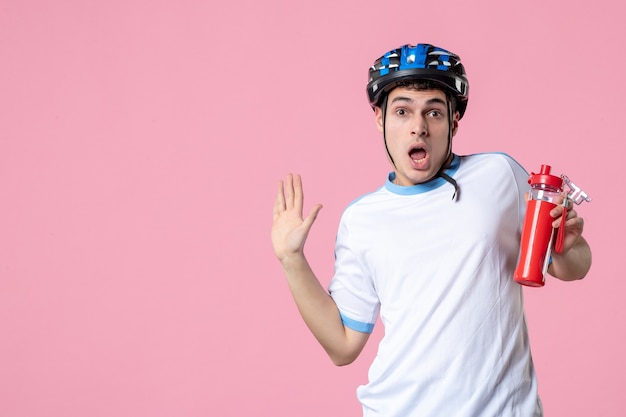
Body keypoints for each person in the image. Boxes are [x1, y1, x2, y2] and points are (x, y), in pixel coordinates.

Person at [271, 43, 591, 417]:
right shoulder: (361, 220)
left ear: (454, 120)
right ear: (380, 119)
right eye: (403, 111)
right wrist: (292, 259)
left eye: (434, 112)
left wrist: (568, 247)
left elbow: (574, 266)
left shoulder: (498, 175)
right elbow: (343, 346)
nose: (418, 126)